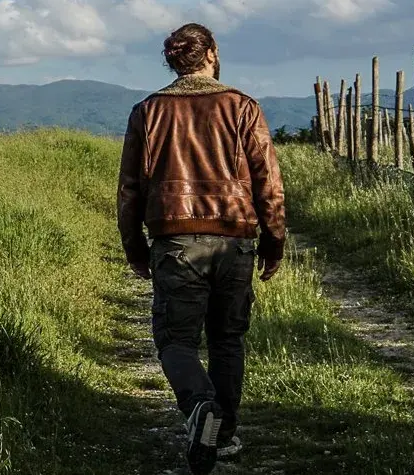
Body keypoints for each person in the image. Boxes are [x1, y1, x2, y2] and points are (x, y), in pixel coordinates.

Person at [116, 23, 287, 475]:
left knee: (175, 340)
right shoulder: (243, 107)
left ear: (172, 61)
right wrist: (274, 241)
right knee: (227, 339)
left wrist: (135, 248)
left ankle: (199, 407)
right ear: (211, 54)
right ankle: (224, 434)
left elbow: (130, 189)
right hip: (235, 242)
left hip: (175, 242)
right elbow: (269, 184)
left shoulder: (148, 111)